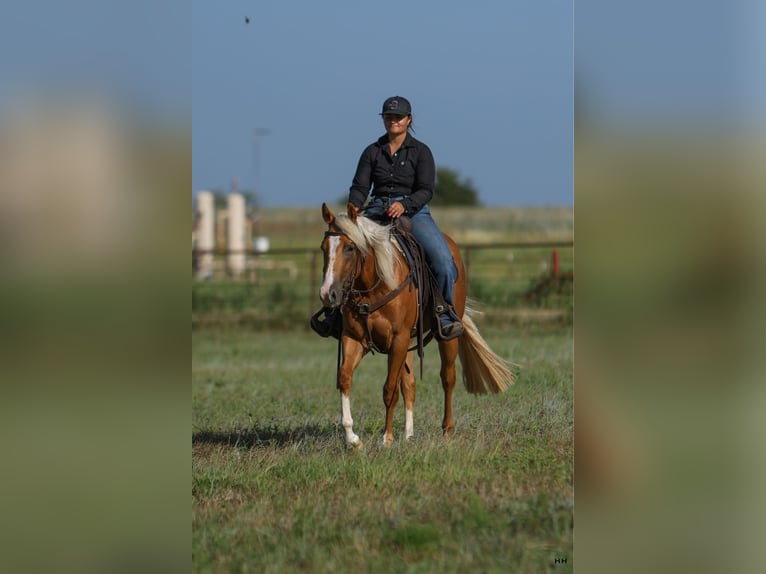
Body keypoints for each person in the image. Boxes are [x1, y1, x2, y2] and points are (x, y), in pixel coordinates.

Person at [313, 95, 463, 340]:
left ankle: (444, 313)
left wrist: (404, 205)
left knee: (444, 259)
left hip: (415, 213)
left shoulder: (422, 152)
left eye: (398, 117)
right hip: (375, 211)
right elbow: (360, 186)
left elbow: (426, 189)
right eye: (389, 117)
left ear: (408, 119)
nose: (393, 121)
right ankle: (335, 314)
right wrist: (355, 208)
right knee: (348, 252)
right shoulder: (372, 151)